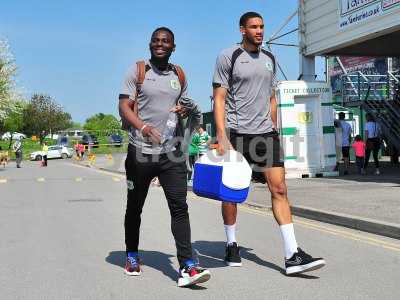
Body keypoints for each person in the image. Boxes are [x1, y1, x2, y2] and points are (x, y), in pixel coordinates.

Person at [212, 11, 325, 275]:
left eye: (262, 26)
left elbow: (272, 95)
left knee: (280, 189)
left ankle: (292, 254)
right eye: (254, 27)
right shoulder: (228, 56)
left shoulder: (270, 58)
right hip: (237, 133)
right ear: (242, 30)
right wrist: (221, 136)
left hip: (265, 134)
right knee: (231, 193)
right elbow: (218, 98)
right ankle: (231, 243)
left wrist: (272, 125)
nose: (259, 31)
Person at [118, 27, 210, 287]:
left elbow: (179, 106)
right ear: (150, 44)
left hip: (172, 152)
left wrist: (183, 110)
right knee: (135, 206)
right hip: (141, 152)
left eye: (165, 41)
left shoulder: (179, 74)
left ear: (173, 46)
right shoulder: (137, 71)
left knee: (179, 207)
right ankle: (132, 255)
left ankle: (187, 265)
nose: (160, 44)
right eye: (156, 41)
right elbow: (123, 106)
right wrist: (144, 127)